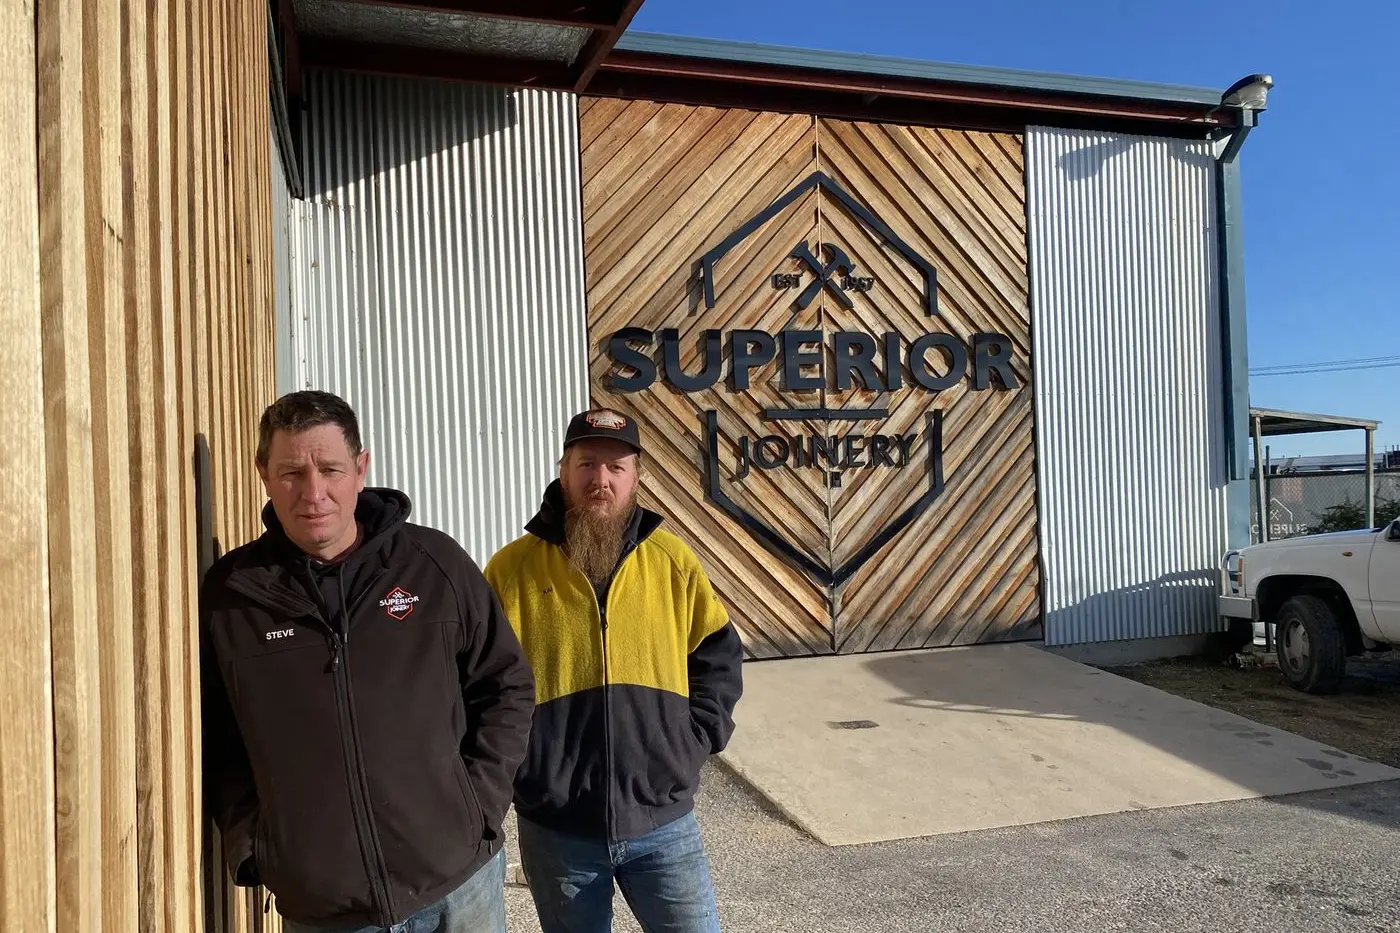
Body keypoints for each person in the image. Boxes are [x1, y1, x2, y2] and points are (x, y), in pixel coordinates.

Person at [200, 390, 535, 933]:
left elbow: (507, 686)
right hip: (327, 912)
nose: (314, 493)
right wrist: (256, 847)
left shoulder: (434, 566)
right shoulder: (234, 595)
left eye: (330, 469)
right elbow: (217, 735)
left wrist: (477, 807)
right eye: (291, 473)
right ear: (262, 472)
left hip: (459, 888)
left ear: (360, 468)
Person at [484, 408, 744, 933]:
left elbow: (717, 657)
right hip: (558, 830)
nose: (599, 481)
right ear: (563, 469)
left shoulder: (673, 561)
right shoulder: (509, 571)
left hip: (664, 823)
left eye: (615, 467)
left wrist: (691, 742)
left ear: (636, 477)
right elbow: (479, 687)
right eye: (586, 464)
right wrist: (525, 769)